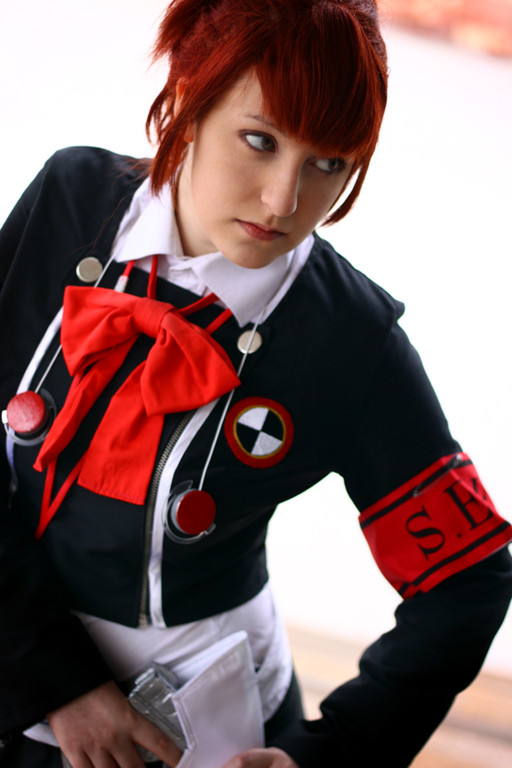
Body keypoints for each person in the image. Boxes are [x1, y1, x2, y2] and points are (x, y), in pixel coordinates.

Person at [0, 1, 511, 767]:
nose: (283, 201)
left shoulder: (349, 337)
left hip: (200, 735)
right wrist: (58, 683)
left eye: (329, 164)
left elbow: (469, 577)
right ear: (189, 98)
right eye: (260, 140)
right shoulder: (70, 197)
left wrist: (333, 753)